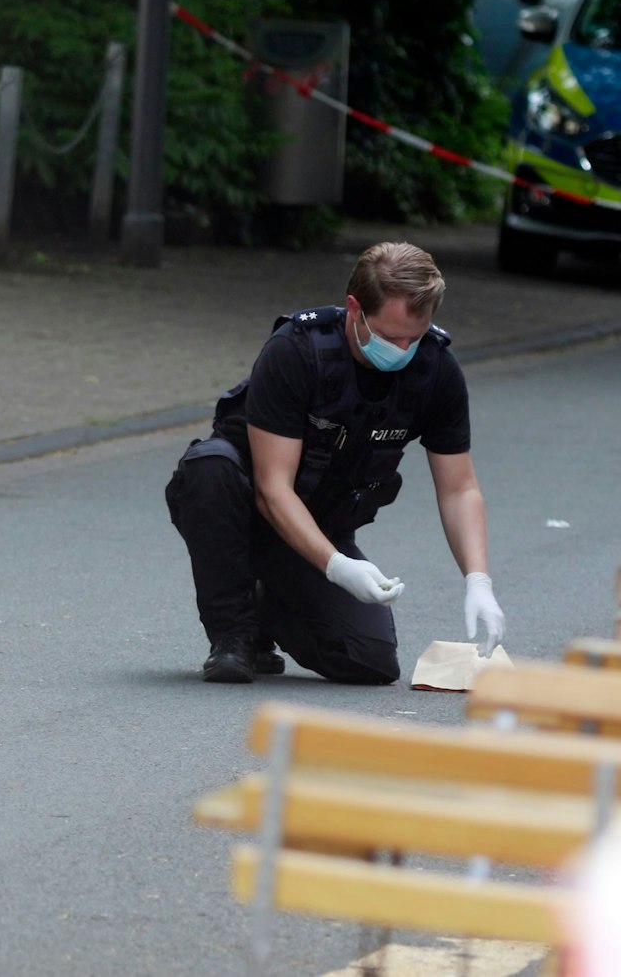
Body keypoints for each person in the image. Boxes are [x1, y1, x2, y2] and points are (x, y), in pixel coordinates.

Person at [165, 242, 507, 685]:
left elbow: (459, 489)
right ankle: (234, 636)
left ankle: (268, 603)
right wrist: (337, 567)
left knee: (370, 661)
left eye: (415, 337)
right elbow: (273, 488)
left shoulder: (435, 370)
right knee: (209, 468)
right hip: (246, 509)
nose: (404, 349)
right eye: (391, 338)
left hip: (320, 526)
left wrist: (478, 581)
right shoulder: (297, 351)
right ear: (355, 309)